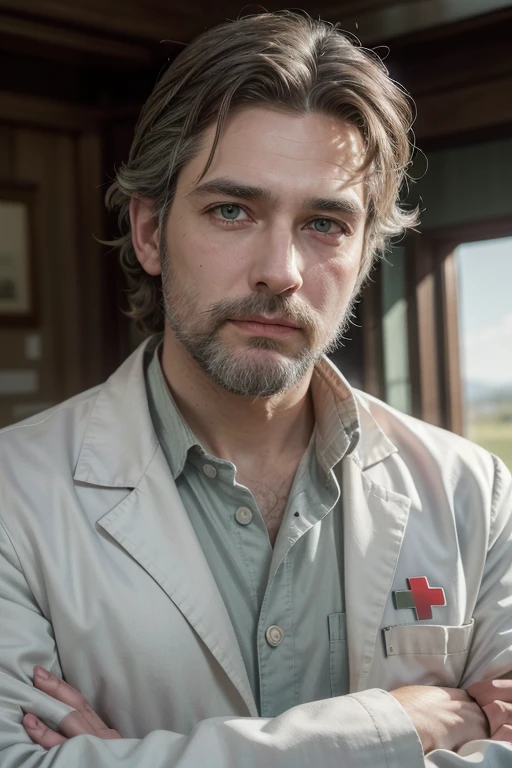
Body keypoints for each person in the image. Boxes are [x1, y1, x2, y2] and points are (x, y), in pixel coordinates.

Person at [1, 11, 511, 768]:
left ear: (367, 252)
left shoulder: (476, 491)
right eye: (232, 210)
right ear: (148, 232)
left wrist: (136, 760)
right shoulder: (12, 493)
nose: (282, 270)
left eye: (326, 223)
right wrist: (394, 729)